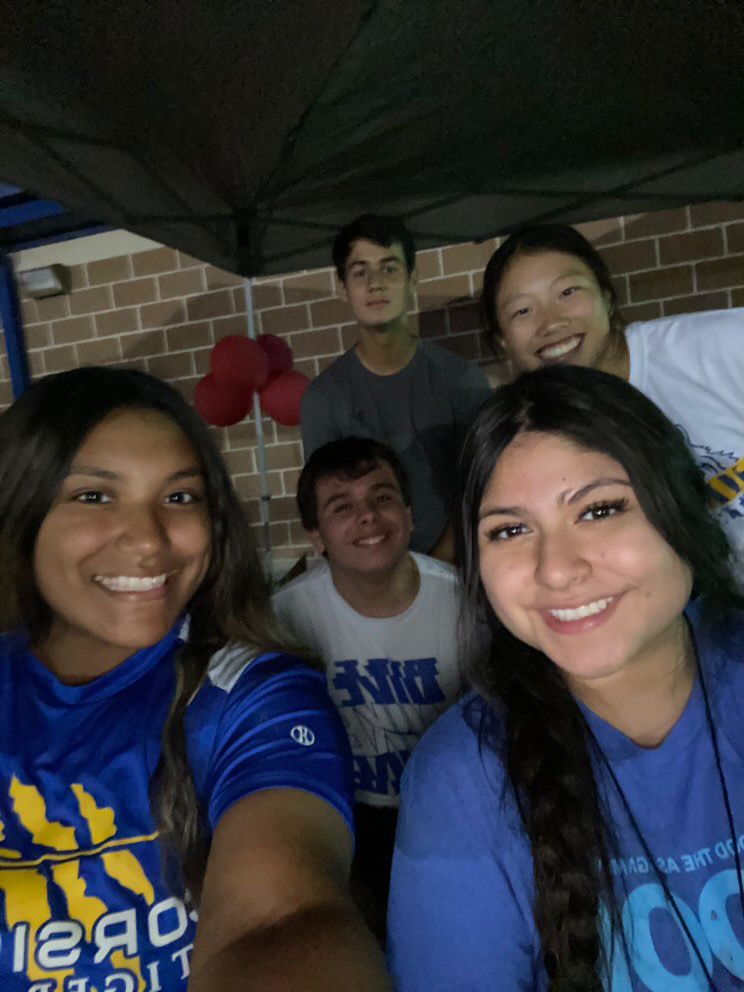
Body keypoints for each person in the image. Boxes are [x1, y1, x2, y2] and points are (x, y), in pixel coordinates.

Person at [0, 367, 391, 992]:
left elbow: (284, 920)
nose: (149, 541)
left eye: (180, 497)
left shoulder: (248, 696)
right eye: (94, 496)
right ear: (20, 510)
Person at [388, 365, 744, 992]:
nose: (555, 569)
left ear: (682, 507)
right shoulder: (462, 778)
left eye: (599, 509)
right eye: (510, 530)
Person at [480, 222, 744, 585]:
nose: (551, 323)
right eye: (522, 311)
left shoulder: (720, 346)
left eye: (568, 292)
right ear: (503, 341)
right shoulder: (536, 435)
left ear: (606, 296)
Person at [273, 437, 463, 939]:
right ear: (316, 536)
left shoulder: (468, 606)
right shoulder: (285, 617)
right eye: (342, 507)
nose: (368, 516)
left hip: (451, 811)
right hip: (344, 815)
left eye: (382, 497)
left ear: (409, 515)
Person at [300, 214, 491, 559]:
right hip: (367, 568)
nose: (376, 284)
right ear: (342, 288)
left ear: (412, 279)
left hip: (458, 566)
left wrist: (435, 570)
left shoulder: (462, 381)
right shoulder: (323, 399)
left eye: (389, 269)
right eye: (360, 272)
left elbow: (482, 488)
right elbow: (327, 506)